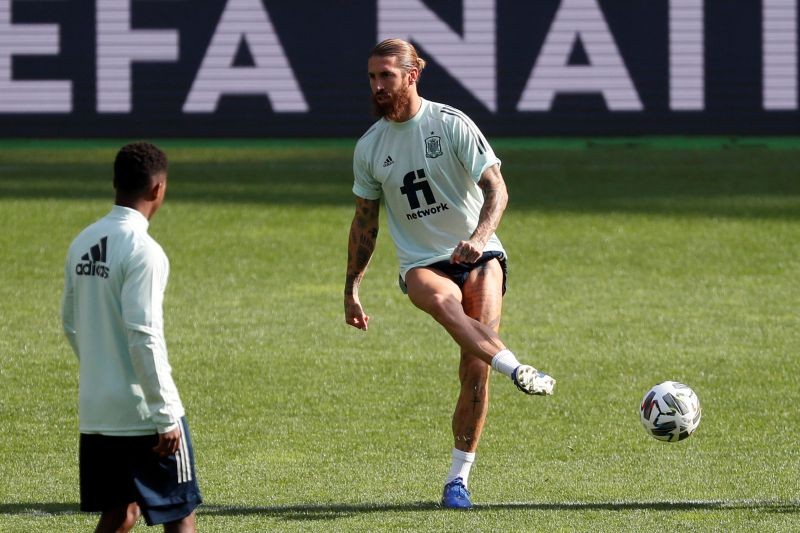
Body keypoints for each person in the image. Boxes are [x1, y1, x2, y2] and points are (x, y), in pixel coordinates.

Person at [344, 39, 556, 510]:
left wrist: (480, 239)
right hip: (422, 263)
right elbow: (365, 224)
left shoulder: (450, 124)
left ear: (412, 74)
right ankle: (517, 368)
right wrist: (352, 288)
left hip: (479, 256)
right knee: (439, 301)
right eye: (372, 77)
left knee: (473, 371)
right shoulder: (369, 147)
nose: (378, 86)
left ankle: (457, 480)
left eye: (387, 76)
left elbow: (497, 190)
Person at [61, 142, 202, 532]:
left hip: (97, 411)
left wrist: (103, 368)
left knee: (121, 511)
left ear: (115, 184)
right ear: (158, 189)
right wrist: (165, 413)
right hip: (143, 413)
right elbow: (144, 336)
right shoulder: (144, 251)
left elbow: (69, 321)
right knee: (180, 513)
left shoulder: (83, 241)